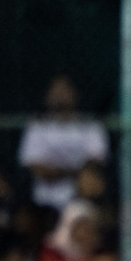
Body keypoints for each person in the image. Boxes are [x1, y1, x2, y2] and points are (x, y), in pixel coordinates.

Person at [19, 75, 109, 212]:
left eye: (64, 90)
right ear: (47, 96)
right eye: (55, 91)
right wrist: (73, 172)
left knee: (91, 180)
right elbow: (35, 165)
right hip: (44, 200)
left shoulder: (90, 124)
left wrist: (76, 174)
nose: (60, 95)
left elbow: (96, 160)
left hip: (81, 195)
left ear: (74, 94)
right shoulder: (37, 125)